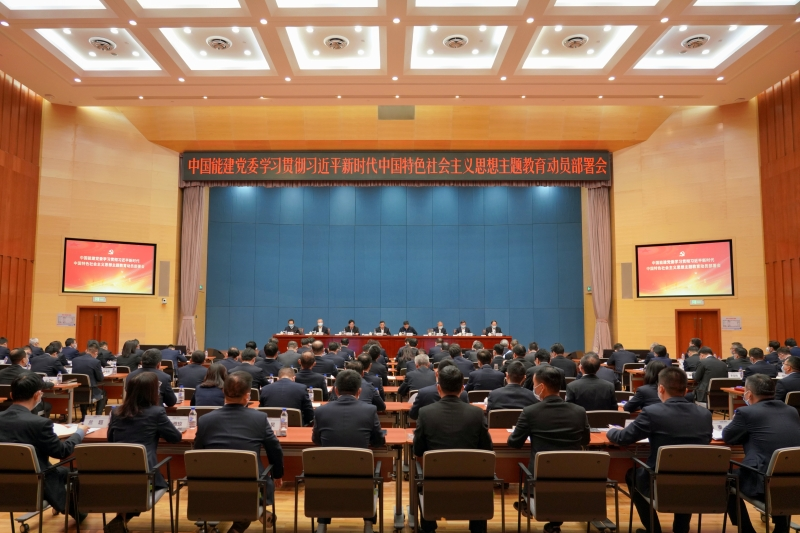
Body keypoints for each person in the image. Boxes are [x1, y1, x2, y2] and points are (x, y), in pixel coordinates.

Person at [608, 367, 712, 533]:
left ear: (661, 389)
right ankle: (681, 528)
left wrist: (611, 431)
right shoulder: (705, 414)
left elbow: (623, 438)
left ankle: (653, 529)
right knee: (686, 472)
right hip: (697, 484)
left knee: (631, 475)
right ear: (686, 390)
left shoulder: (652, 412)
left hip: (659, 483)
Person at [194, 372, 283, 533]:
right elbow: (274, 449)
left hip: (213, 484)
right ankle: (252, 514)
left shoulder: (205, 420)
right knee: (250, 493)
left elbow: (197, 454)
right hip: (251, 486)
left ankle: (255, 512)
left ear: (223, 392)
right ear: (247, 395)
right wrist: (277, 474)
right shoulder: (259, 419)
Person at [508, 365, 590, 532]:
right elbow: (585, 440)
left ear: (541, 387)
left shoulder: (530, 412)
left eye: (534, 384)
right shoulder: (579, 411)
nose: (533, 388)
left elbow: (514, 443)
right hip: (572, 477)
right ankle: (553, 521)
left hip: (539, 479)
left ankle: (528, 500)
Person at [413, 365, 492, 533]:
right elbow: (487, 449)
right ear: (462, 389)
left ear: (438, 388)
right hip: (471, 483)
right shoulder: (477, 414)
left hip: (435, 483)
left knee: (419, 475)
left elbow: (418, 450)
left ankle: (428, 528)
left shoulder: (425, 413)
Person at [0, 373, 88, 522]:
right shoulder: (40, 424)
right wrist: (79, 432)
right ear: (37, 395)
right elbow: (62, 451)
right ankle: (74, 510)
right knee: (77, 472)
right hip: (38, 482)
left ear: (11, 395)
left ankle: (69, 508)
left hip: (4, 482)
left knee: (59, 471)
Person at [105, 372, 183, 533]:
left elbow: (111, 439)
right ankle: (120, 521)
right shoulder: (156, 413)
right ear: (152, 392)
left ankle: (120, 520)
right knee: (143, 486)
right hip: (147, 476)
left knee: (129, 486)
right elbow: (175, 437)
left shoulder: (117, 412)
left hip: (116, 471)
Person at [721, 374, 800, 533]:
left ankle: (746, 529)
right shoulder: (791, 411)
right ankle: (781, 527)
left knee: (724, 479)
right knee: (780, 469)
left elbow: (728, 436)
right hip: (794, 482)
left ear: (748, 394)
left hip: (763, 484)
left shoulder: (746, 413)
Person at [311, 369, 385, 533]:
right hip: (360, 473)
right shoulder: (370, 410)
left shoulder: (321, 410)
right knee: (373, 473)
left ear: (335, 390)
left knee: (327, 477)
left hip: (328, 472)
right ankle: (368, 524)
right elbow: (379, 442)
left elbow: (316, 440)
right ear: (359, 391)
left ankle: (322, 525)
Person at [0, 348, 53, 416]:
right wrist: (52, 383)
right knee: (48, 406)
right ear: (23, 360)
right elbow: (42, 385)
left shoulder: (1, 372)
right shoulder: (28, 374)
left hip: (2, 405)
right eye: (27, 357)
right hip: (26, 406)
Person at [71, 340, 107, 419]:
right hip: (91, 391)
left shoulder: (75, 360)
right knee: (103, 393)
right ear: (96, 352)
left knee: (83, 390)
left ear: (87, 350)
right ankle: (98, 416)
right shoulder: (96, 361)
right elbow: (100, 378)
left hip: (76, 390)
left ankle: (84, 416)